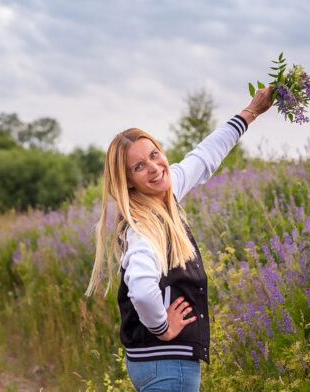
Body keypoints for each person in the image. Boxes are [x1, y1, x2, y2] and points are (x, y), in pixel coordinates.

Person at [86, 86, 274, 391]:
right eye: (139, 166)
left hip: (155, 363)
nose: (154, 167)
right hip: (168, 365)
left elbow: (204, 156)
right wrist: (162, 327)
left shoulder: (164, 193)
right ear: (129, 183)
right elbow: (143, 290)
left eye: (154, 155)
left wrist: (251, 112)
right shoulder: (145, 227)